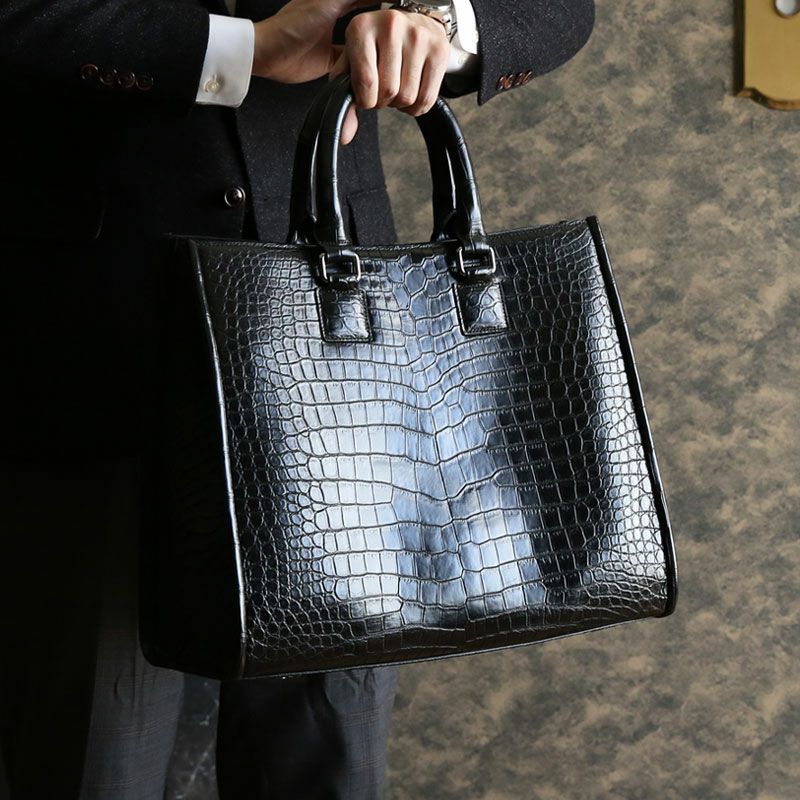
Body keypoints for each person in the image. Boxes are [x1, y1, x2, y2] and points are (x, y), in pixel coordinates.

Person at [0, 1, 595, 798]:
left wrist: (437, 20)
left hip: (342, 374)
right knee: (94, 763)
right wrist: (239, 49)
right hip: (91, 351)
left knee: (328, 767)